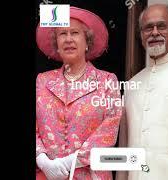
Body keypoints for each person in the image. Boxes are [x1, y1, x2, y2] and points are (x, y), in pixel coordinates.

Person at [36, 6, 122, 180]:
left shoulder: (107, 81)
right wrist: (42, 160)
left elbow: (109, 130)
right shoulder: (42, 81)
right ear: (56, 43)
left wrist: (69, 162)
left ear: (87, 41)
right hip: (46, 175)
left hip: (90, 175)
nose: (68, 39)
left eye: (74, 33)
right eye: (62, 34)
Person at [117, 4, 168, 180]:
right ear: (141, 36)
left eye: (161, 26)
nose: (154, 32)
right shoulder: (132, 84)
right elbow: (125, 147)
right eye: (148, 28)